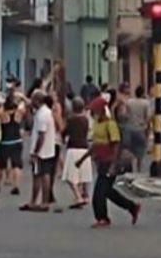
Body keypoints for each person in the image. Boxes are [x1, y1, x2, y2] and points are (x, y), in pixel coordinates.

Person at [77, 97, 140, 228]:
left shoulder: (110, 124)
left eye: (94, 110)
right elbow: (96, 145)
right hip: (100, 161)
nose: (92, 113)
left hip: (109, 162)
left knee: (99, 193)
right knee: (107, 191)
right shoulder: (97, 124)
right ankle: (132, 207)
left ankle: (102, 217)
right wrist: (82, 159)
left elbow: (116, 144)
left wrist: (113, 165)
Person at [21, 91, 58, 211]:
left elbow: (41, 135)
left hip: (42, 151)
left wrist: (36, 151)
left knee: (41, 175)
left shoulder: (42, 115)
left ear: (37, 101)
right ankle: (37, 200)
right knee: (41, 174)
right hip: (48, 149)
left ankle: (42, 201)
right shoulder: (45, 112)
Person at [62, 98, 92, 209]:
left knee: (70, 176)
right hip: (84, 147)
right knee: (83, 175)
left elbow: (65, 132)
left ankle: (78, 196)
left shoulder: (71, 120)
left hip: (73, 148)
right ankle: (85, 195)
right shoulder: (85, 120)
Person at [0, 93, 24, 195]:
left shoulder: (3, 115)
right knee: (17, 164)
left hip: (5, 142)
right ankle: (16, 185)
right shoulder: (18, 114)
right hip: (17, 140)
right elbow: (28, 105)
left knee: (1, 165)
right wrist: (22, 98)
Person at [126, 85, 152, 173]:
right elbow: (148, 117)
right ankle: (139, 170)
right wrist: (148, 128)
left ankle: (131, 169)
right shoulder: (146, 103)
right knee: (140, 153)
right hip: (141, 129)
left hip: (130, 128)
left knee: (131, 150)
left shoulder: (129, 102)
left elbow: (126, 114)